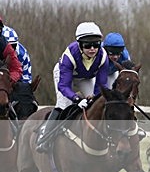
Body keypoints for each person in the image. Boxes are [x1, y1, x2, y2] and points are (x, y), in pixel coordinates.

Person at [36, 22, 110, 153]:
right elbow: (64, 86)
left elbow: (101, 85)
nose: (92, 48)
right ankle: (44, 136)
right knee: (64, 104)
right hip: (65, 76)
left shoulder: (103, 57)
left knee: (97, 102)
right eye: (87, 45)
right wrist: (76, 99)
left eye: (96, 44)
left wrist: (95, 98)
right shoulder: (69, 56)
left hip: (85, 77)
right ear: (80, 45)